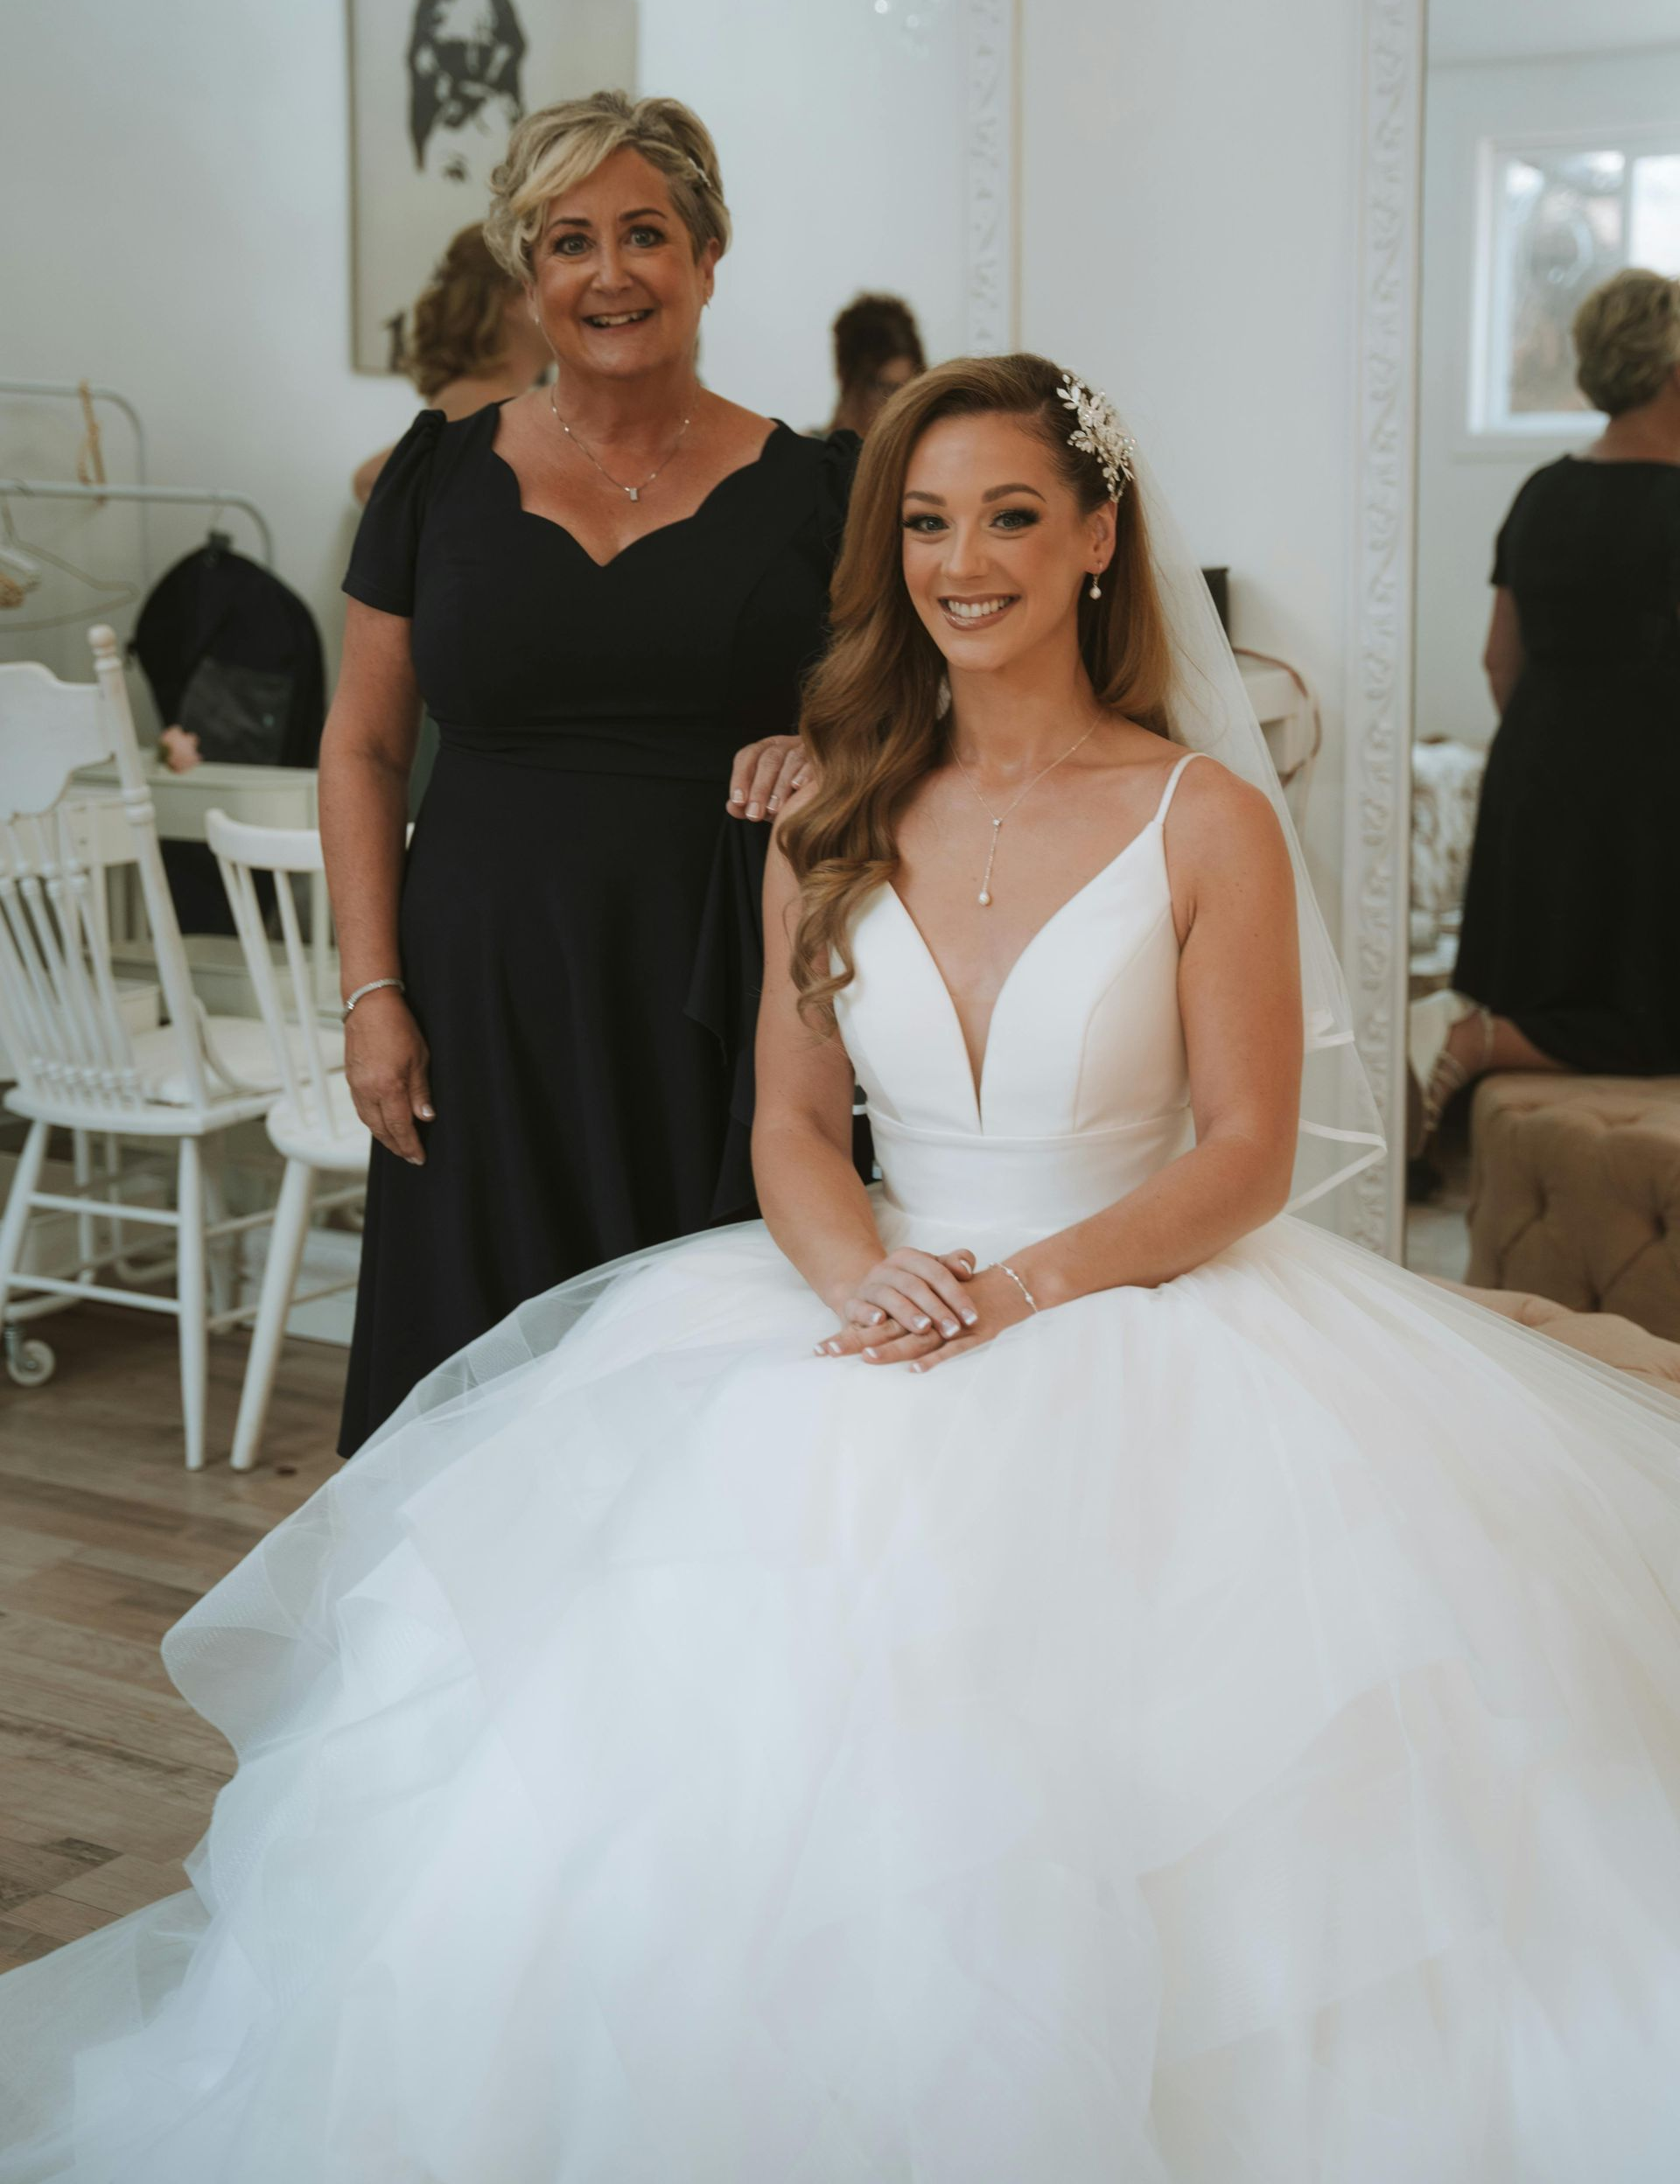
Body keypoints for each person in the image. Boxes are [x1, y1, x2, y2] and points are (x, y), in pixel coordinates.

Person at [5, 352, 1680, 2181]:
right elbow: (792, 1126)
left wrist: (1017, 1294)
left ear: (1098, 539)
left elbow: (1242, 1157)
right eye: (928, 524)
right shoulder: (828, 812)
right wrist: (861, 1280)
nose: (964, 562)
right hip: (867, 1291)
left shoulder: (1204, 813)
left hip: (1139, 1296)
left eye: (1012, 517)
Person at [323, 92, 859, 1452]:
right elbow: (365, 746)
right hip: (477, 1001)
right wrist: (371, 994)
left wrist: (830, 743)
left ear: (707, 256)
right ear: (528, 273)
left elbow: (915, 715)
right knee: (471, 1412)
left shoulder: (824, 492)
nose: (610, 273)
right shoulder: (434, 480)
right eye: (570, 241)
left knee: (703, 1406)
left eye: (646, 234)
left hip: (717, 991)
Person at [1410, 267, 1680, 1148]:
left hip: (1536, 786)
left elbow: (1500, 662)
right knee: (1654, 1024)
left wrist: (1559, 757)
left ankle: (1477, 1036)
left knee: (1563, 990)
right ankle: (1478, 1041)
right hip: (1649, 808)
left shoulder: (1543, 492)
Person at [351, 223, 551, 506]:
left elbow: (367, 478)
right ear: (511, 297)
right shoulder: (494, 410)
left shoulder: (468, 398)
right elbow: (370, 479)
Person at [827, 289, 926, 435]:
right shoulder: (812, 447)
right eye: (884, 388)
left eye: (908, 387)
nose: (898, 404)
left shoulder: (927, 444)